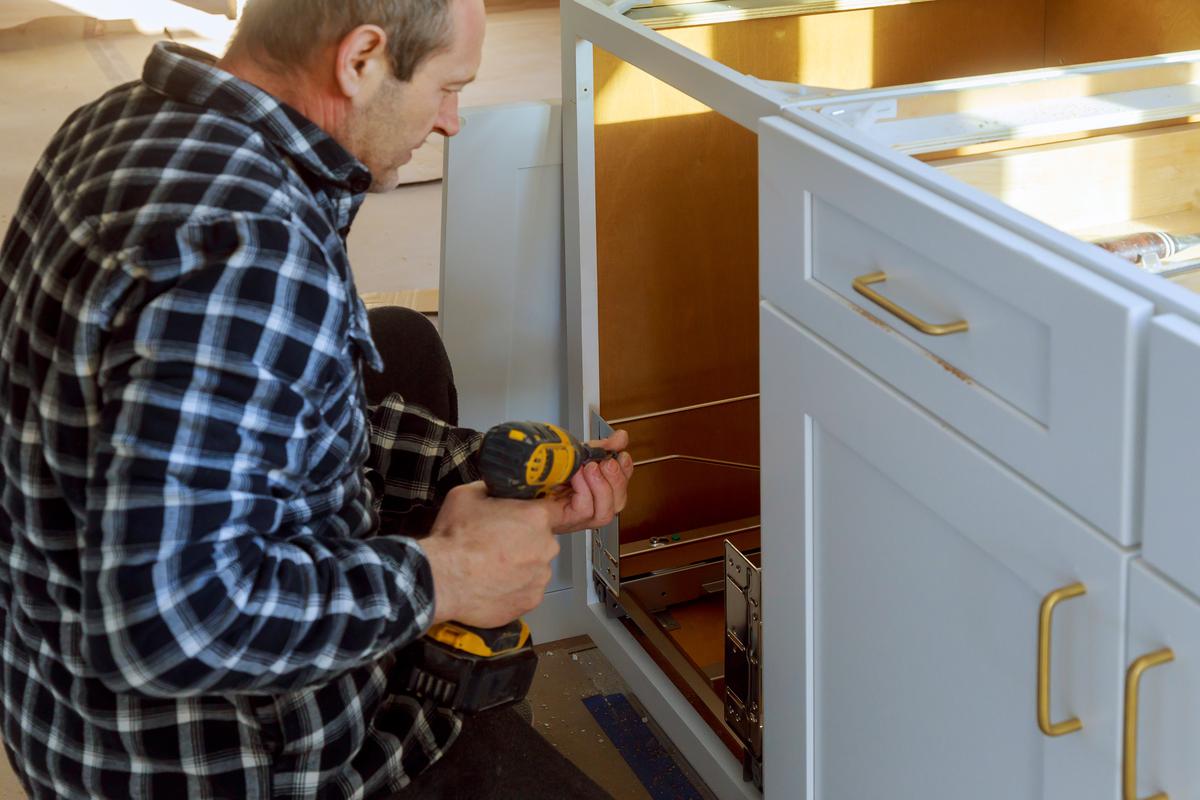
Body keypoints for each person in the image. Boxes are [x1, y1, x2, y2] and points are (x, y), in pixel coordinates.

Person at [0, 1, 633, 798]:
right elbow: (171, 621)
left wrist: (469, 464)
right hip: (228, 766)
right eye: (446, 87)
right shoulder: (249, 251)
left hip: (53, 694)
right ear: (360, 59)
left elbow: (276, 419)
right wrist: (450, 574)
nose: (452, 122)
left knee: (399, 341)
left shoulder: (126, 121)